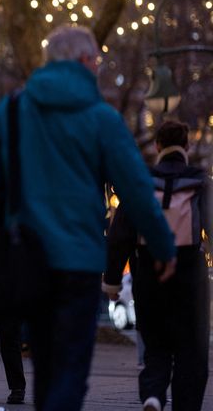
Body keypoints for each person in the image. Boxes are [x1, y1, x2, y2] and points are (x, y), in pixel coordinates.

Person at [0, 25, 177, 411]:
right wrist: (163, 244)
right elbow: (135, 188)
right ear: (84, 61)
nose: (98, 67)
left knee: (46, 366)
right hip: (79, 260)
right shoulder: (101, 118)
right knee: (71, 368)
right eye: (96, 60)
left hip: (26, 259)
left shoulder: (11, 111)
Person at [104, 120, 211, 411]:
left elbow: (120, 235)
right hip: (190, 271)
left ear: (157, 146)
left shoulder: (141, 180)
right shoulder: (199, 180)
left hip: (148, 270)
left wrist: (112, 281)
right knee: (192, 351)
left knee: (156, 346)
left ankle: (152, 395)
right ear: (187, 146)